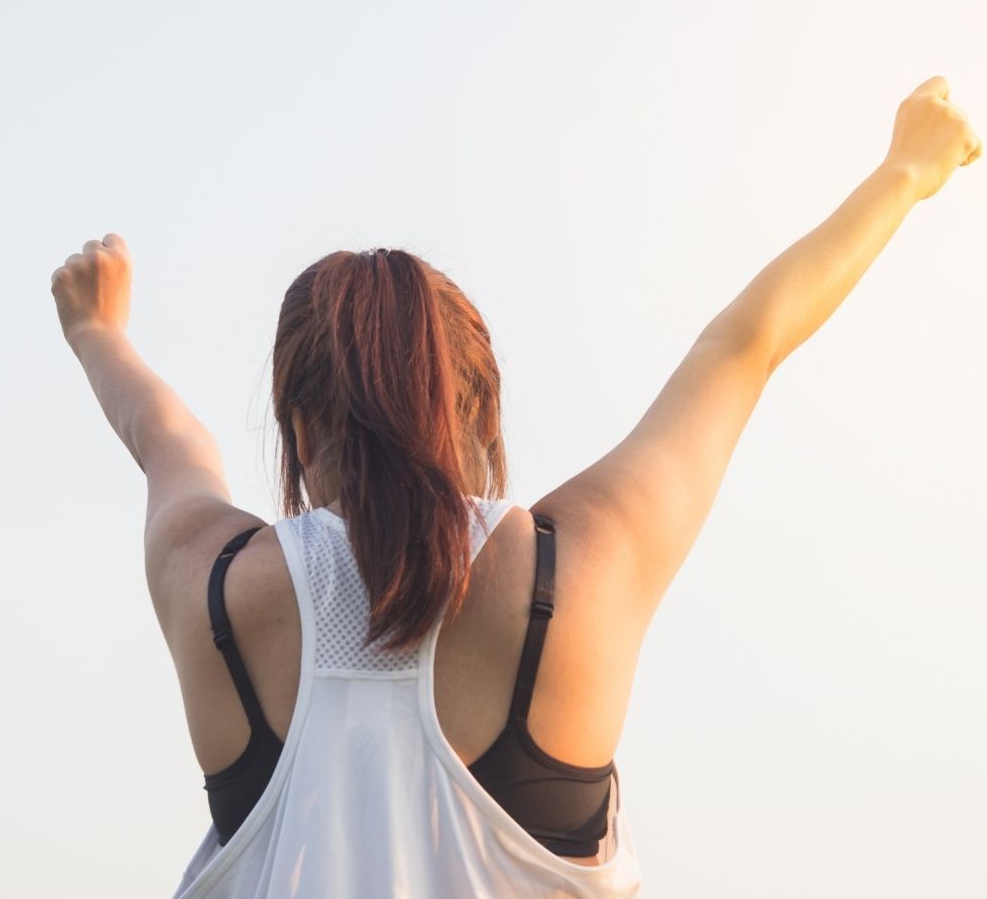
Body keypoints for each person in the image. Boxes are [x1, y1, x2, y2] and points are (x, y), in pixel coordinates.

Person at [51, 75, 980, 898]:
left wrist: (98, 330)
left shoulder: (213, 585)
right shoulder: (577, 572)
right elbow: (743, 347)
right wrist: (906, 171)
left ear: (298, 427)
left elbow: (166, 439)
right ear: (481, 414)